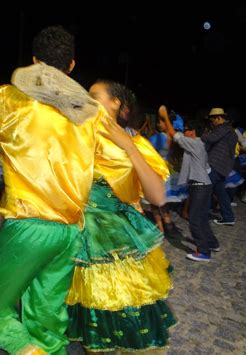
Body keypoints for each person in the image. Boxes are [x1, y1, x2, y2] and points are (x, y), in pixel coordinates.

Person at [0, 26, 118, 354]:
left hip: (28, 226)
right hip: (69, 233)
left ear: (35, 60)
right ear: (71, 66)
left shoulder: (11, 99)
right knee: (48, 322)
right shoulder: (88, 115)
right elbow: (112, 165)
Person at [66, 80, 174, 353]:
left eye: (94, 96)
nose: (87, 100)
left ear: (116, 103)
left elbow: (158, 197)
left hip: (118, 238)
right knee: (89, 314)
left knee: (128, 309)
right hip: (75, 236)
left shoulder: (136, 142)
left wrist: (129, 146)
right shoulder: (73, 135)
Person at [160, 106, 219, 261]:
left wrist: (166, 116)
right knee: (201, 217)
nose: (184, 132)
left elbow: (175, 135)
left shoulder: (195, 143)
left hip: (200, 186)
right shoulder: (200, 145)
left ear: (192, 132)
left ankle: (204, 251)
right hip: (203, 185)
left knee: (194, 218)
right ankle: (212, 243)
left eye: (186, 130)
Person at [201, 108, 238, 226]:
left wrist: (199, 134)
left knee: (205, 190)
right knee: (221, 193)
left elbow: (210, 139)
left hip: (215, 165)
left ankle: (202, 217)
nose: (212, 123)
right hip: (224, 167)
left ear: (218, 118)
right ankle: (228, 217)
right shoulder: (231, 131)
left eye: (213, 120)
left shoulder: (222, 128)